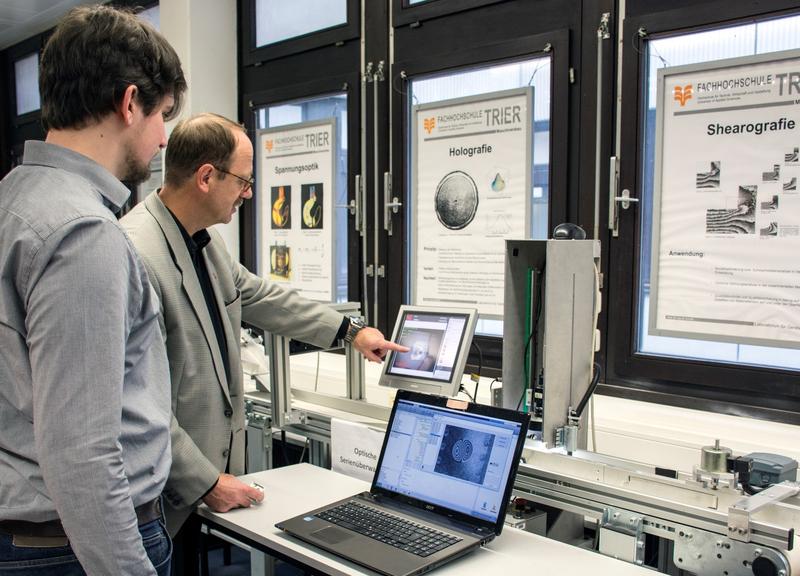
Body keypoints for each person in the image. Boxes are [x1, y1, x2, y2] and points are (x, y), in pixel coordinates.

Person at [120, 113, 407, 572]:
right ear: (206, 176)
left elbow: (261, 296)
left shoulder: (205, 243)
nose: (249, 193)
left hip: (198, 489)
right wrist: (206, 482)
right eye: (243, 180)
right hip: (163, 496)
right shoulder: (134, 254)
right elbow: (135, 405)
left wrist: (352, 332)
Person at [0, 6, 186, 576]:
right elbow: (82, 454)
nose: (162, 139)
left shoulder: (14, 198)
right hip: (76, 549)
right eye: (163, 116)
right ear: (129, 103)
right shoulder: (81, 234)